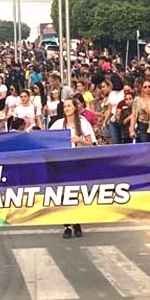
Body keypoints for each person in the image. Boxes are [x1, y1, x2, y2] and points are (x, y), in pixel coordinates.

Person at [50, 98, 96, 239]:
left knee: (76, 193)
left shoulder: (83, 123)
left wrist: (80, 140)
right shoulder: (58, 124)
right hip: (62, 164)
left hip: (78, 162)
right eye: (65, 106)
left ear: (75, 107)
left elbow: (92, 144)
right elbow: (46, 139)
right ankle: (67, 225)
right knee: (63, 194)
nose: (67, 108)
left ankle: (77, 222)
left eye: (69, 106)